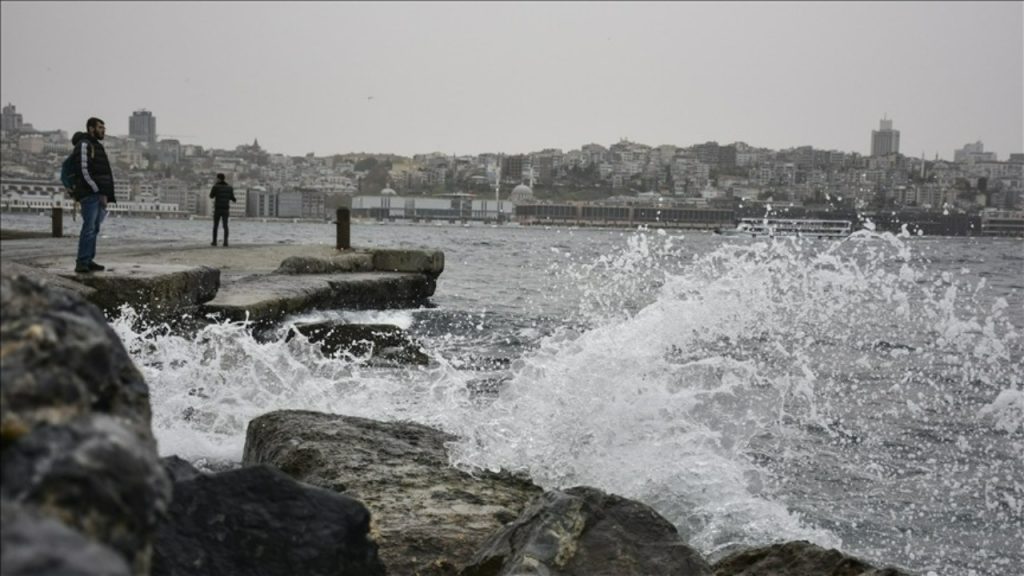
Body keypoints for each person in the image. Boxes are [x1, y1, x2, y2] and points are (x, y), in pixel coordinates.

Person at [73, 117, 116, 273]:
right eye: (100, 127)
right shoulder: (85, 145)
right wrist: (97, 191)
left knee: (94, 228)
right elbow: (84, 170)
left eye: (104, 127)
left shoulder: (96, 146)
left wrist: (105, 194)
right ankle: (82, 262)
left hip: (98, 194)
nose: (103, 130)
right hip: (90, 194)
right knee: (89, 228)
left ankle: (88, 259)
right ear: (91, 128)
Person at [209, 173, 236, 246]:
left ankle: (214, 242)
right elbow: (233, 198)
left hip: (218, 208)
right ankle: (225, 242)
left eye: (216, 178)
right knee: (225, 226)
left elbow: (211, 196)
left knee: (215, 225)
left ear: (218, 179)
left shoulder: (215, 187)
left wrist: (215, 188)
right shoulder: (229, 188)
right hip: (225, 209)